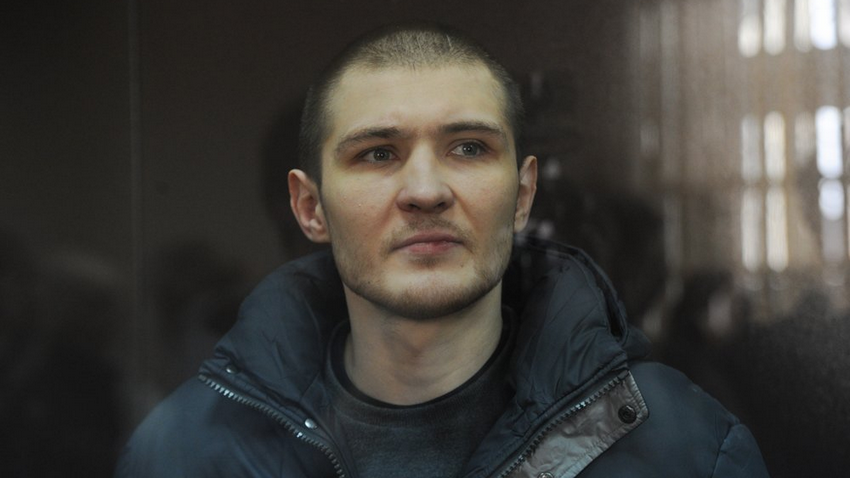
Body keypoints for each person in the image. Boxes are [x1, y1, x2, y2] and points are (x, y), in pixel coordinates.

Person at [116, 23, 769, 477]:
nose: (426, 191)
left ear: (522, 196)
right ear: (310, 208)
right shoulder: (188, 455)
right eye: (378, 154)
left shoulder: (686, 450)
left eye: (468, 148)